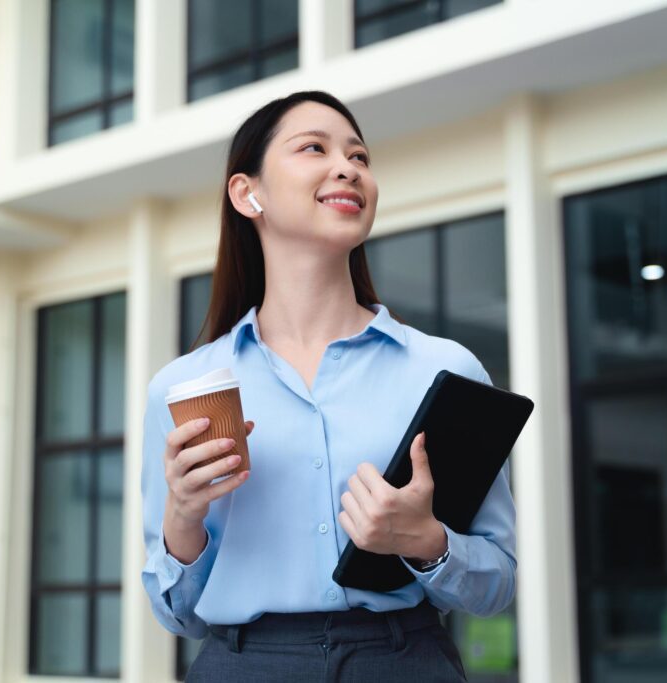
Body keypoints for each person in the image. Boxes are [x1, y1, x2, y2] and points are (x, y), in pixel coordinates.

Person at [141, 90, 516, 682]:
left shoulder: (445, 371)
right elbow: (177, 615)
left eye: (360, 157)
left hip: (404, 662)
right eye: (313, 148)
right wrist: (184, 519)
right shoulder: (183, 387)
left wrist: (426, 541)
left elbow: (497, 583)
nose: (348, 167)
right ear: (248, 193)